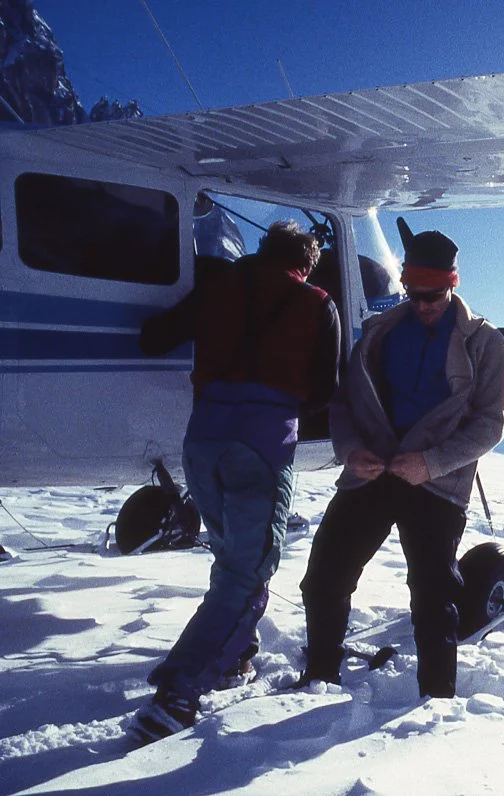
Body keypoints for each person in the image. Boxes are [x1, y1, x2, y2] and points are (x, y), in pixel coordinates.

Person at [131, 220, 342, 743]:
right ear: (307, 262)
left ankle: (233, 657)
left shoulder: (218, 286)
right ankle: (178, 693)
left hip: (202, 442)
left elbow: (154, 338)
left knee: (230, 560)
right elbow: (325, 390)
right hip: (262, 448)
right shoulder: (318, 304)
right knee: (247, 573)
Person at [298, 219, 504, 697]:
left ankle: (435, 701)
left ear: (452, 285)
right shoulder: (379, 332)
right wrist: (351, 451)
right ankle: (319, 679)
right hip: (373, 472)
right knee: (324, 578)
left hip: (435, 485)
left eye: (432, 296)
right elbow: (344, 404)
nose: (421, 304)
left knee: (434, 596)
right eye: (412, 292)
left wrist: (431, 463)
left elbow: (489, 425)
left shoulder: (484, 343)